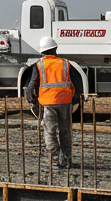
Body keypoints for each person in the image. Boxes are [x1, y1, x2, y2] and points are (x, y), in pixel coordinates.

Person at [24, 36, 76, 169]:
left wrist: (32, 102)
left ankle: (55, 162)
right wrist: (73, 99)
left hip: (48, 103)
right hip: (65, 101)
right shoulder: (65, 63)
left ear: (42, 52)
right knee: (65, 131)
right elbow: (74, 82)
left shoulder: (39, 65)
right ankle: (67, 160)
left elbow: (32, 86)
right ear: (55, 49)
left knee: (50, 132)